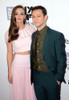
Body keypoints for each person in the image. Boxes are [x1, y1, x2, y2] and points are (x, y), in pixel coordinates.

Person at [30, 5, 67, 100]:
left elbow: (61, 59)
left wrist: (58, 78)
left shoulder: (56, 35)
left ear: (45, 17)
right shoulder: (33, 35)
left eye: (38, 16)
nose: (35, 19)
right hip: (37, 77)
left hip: (51, 77)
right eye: (33, 16)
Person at [5, 5, 36, 100]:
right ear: (13, 16)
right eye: (16, 13)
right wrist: (9, 71)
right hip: (17, 67)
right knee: (18, 94)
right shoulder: (9, 33)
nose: (19, 16)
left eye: (21, 14)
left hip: (31, 67)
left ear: (25, 16)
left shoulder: (32, 29)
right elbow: (9, 53)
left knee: (31, 93)